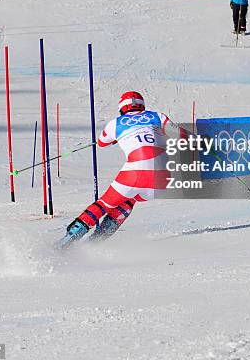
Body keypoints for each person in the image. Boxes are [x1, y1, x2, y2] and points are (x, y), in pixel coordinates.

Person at [57, 91, 184, 248]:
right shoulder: (158, 116)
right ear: (142, 105)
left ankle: (65, 242)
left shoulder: (115, 123)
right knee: (128, 199)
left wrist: (117, 138)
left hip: (136, 173)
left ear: (122, 108)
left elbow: (102, 142)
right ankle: (95, 244)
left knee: (103, 205)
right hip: (163, 180)